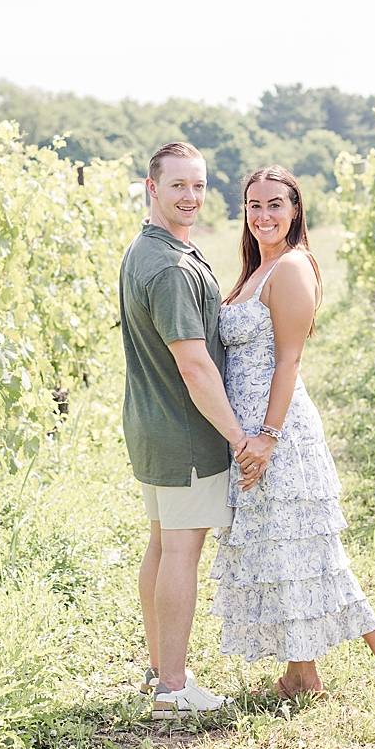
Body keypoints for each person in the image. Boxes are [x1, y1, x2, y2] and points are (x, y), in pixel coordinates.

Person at [210, 165, 375, 698]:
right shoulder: (255, 270)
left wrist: (267, 436)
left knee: (306, 550)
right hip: (248, 430)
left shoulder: (290, 268)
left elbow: (288, 361)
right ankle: (305, 672)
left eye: (274, 205)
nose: (263, 215)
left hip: (277, 432)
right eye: (254, 205)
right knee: (285, 550)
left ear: (295, 211)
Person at [120, 142, 248, 719]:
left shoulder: (149, 250)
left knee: (163, 544)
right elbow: (194, 365)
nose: (191, 196)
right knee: (180, 552)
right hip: (184, 431)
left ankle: (159, 671)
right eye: (178, 186)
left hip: (152, 426)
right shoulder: (170, 267)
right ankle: (173, 688)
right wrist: (238, 437)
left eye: (198, 185)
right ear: (153, 188)